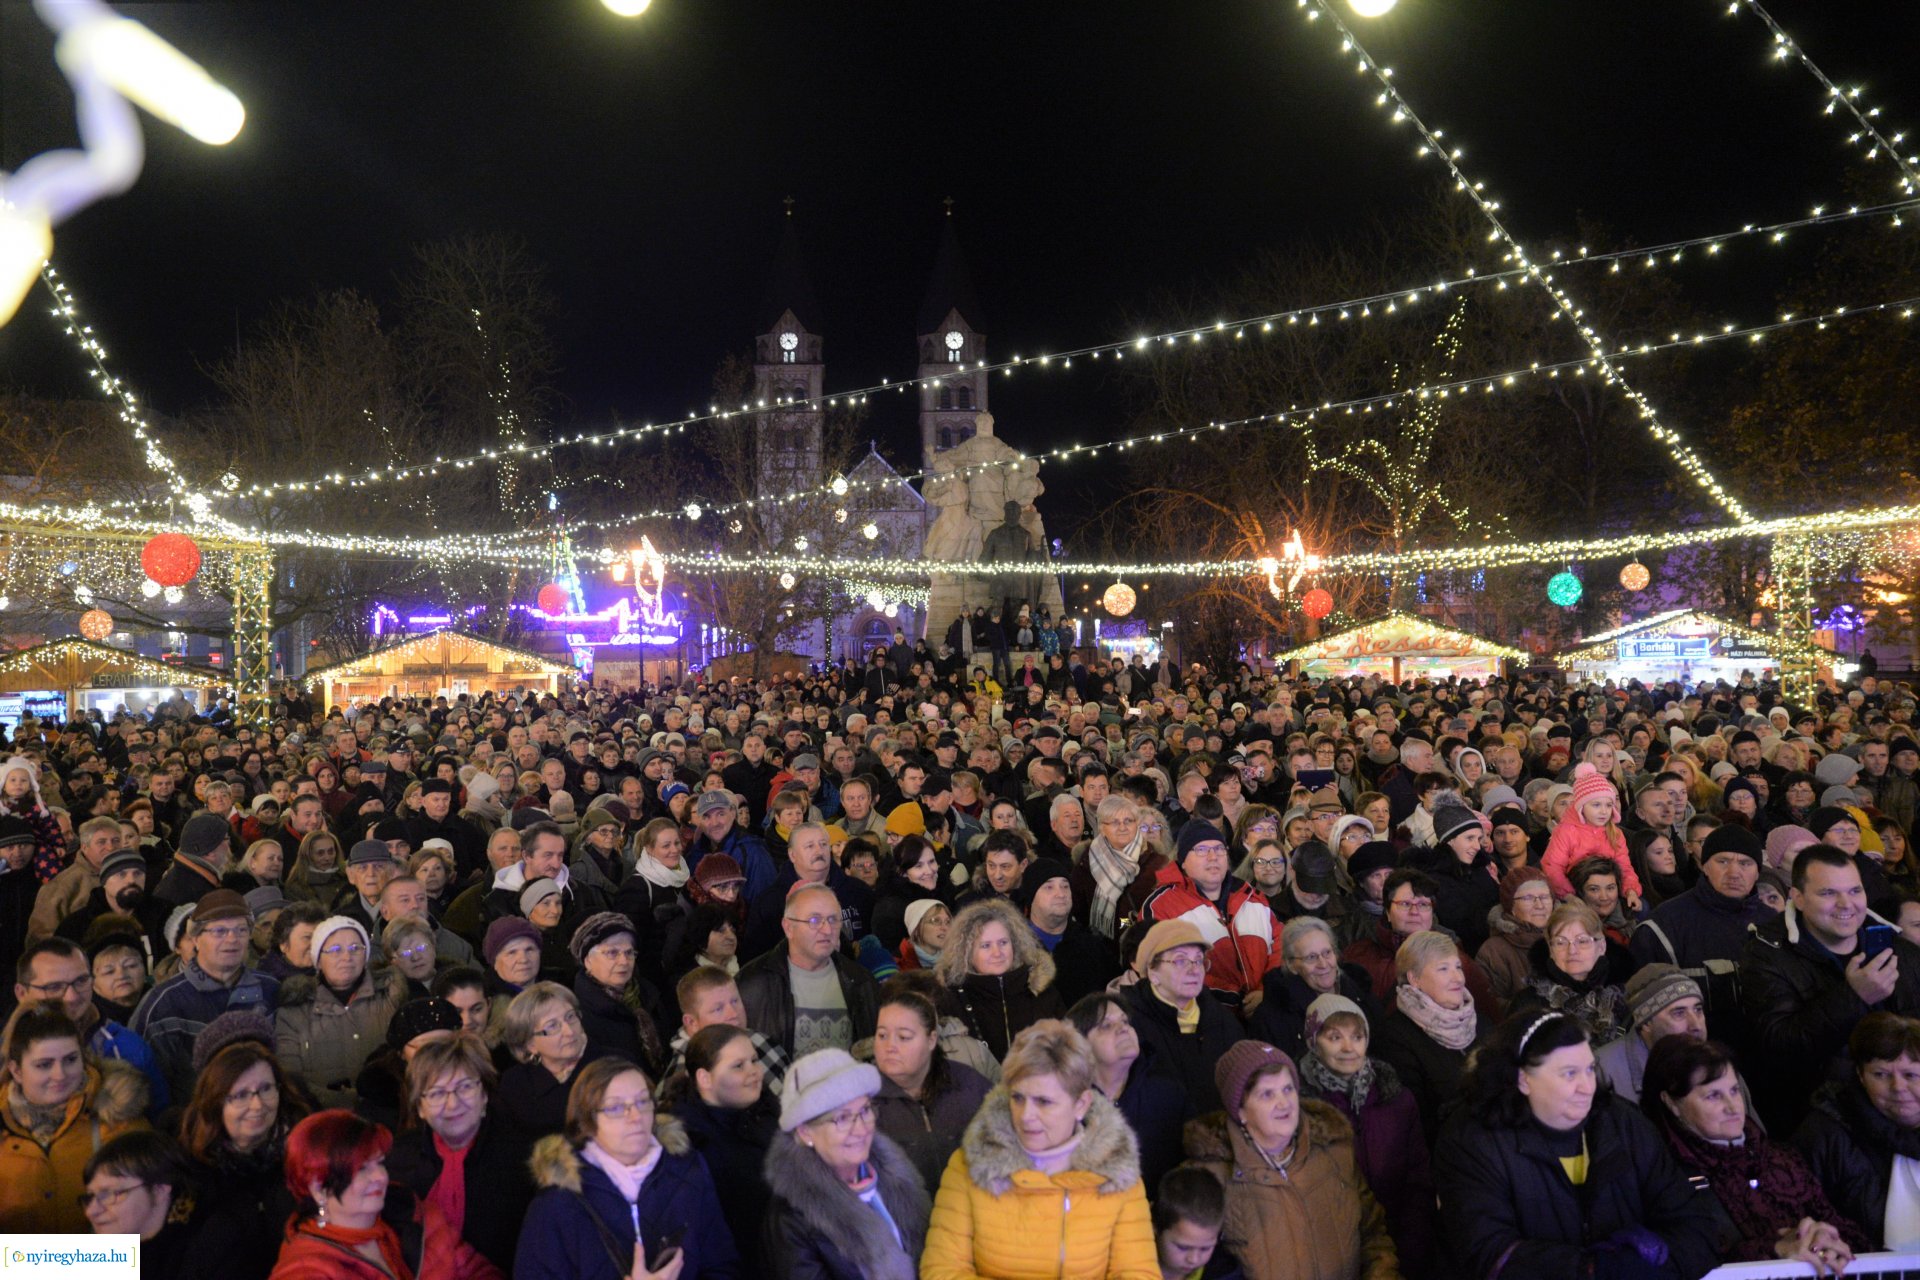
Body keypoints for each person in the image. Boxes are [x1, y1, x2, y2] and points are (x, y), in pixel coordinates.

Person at [1432, 1011, 1721, 1280]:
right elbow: (1489, 1254)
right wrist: (1595, 1270)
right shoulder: (1472, 1142)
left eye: (1590, 1069)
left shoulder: (1622, 1123)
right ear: (1523, 1079)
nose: (1587, 1086)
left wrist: (1652, 1267)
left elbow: (1693, 1223)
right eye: (1569, 1073)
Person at [923, 1019, 1159, 1280]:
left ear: (1081, 1104)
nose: (1026, 1116)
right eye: (1018, 1098)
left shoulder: (1119, 1174)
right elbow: (941, 1271)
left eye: (1044, 1102)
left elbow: (1139, 1273)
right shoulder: (967, 1167)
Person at [1641, 1035, 1866, 1270]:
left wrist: (1827, 1239)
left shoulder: (1781, 1158)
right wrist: (1776, 1250)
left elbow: (1845, 1230)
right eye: (1713, 1095)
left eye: (1734, 1090)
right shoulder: (1665, 1179)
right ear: (1671, 1103)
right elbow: (1680, 1265)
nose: (1733, 1107)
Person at [1182, 1038, 1399, 1280]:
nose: (1284, 1103)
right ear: (1240, 1111)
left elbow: (1373, 1234)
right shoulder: (1210, 1179)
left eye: (1288, 1089)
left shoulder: (1334, 1150)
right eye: (1267, 1094)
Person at [1741, 843, 1920, 1129]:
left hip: (1905, 1112)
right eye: (1828, 893)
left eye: (1854, 891)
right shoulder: (1766, 955)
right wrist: (1854, 997)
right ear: (1797, 897)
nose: (1846, 904)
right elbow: (1778, 1048)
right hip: (1824, 1120)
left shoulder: (1900, 948)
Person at [515, 1056, 738, 1279]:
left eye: (643, 1102)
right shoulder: (558, 1201)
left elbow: (722, 1266)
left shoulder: (688, 1171)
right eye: (615, 1107)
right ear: (586, 1122)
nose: (635, 1116)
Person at [268, 1108, 500, 1280]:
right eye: (362, 1169)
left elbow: (481, 1272)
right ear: (318, 1188)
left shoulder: (419, 1216)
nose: (380, 1176)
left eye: (379, 1162)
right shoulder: (304, 1270)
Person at [762, 1047, 931, 1280]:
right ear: (805, 1132)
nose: (861, 1129)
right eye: (841, 1118)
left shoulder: (894, 1177)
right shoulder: (791, 1218)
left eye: (864, 1111)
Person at [1296, 993, 1434, 1277]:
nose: (1349, 1048)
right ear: (1313, 1042)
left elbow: (1418, 1178)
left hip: (1402, 1242)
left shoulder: (1396, 1099)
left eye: (1357, 1037)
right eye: (1334, 1038)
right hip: (1335, 1252)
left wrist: (1411, 1247)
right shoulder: (1301, 1108)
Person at [384, 1031, 533, 1274]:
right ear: (420, 1107)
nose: (452, 1104)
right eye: (437, 1093)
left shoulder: (524, 1161)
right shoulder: (398, 1162)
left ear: (484, 1094)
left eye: (464, 1087)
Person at [0, 1003, 148, 1232]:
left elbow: (146, 1222)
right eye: (44, 1065)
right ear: (16, 1071)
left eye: (70, 1060)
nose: (60, 1075)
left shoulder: (119, 1117)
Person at [178, 1032, 312, 1280]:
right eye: (240, 1095)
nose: (257, 1105)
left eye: (265, 1089)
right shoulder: (184, 1169)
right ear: (216, 1101)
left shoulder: (308, 1155)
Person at [129, 887, 281, 1101]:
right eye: (219, 931)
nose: (232, 939)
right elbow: (145, 1081)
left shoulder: (271, 989)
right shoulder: (164, 1002)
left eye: (241, 930)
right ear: (197, 940)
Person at [1791, 1011, 1920, 1251]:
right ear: (1860, 1076)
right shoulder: (1824, 1133)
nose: (1898, 1087)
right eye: (1880, 1074)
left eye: (1910, 1075)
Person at [667, 1024, 779, 1274]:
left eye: (753, 1060)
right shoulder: (688, 1142)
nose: (755, 1072)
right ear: (705, 1078)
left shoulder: (769, 1112)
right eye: (738, 1066)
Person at [1368, 931, 1489, 1145]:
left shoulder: (1482, 1023)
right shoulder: (1394, 1038)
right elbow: (1417, 1120)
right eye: (1443, 969)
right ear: (1415, 979)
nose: (1458, 978)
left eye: (1458, 967)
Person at [870, 985, 992, 1192]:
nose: (890, 1046)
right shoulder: (861, 1102)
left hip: (966, 1214)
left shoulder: (969, 1085)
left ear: (931, 1039)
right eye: (882, 1035)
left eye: (904, 1037)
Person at [1068, 992, 1191, 1199]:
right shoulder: (1064, 1106)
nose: (1123, 1028)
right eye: (1106, 1025)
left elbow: (1189, 1173)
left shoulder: (1168, 1094)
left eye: (1125, 1021)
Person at [274, 915, 407, 1106]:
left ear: (365, 955)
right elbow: (290, 1077)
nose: (346, 957)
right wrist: (340, 1101)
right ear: (318, 961)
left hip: (388, 1111)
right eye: (335, 950)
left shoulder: (391, 998)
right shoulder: (294, 1012)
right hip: (321, 1118)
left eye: (355, 949)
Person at [737, 883, 879, 1059]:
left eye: (833, 920)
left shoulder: (861, 981)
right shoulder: (752, 983)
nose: (827, 930)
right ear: (788, 927)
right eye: (814, 920)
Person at [1120, 920, 1247, 1113]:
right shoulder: (1127, 1025)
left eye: (1198, 960)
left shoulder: (1222, 1020)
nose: (1194, 969)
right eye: (1180, 960)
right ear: (1152, 973)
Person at [935, 896, 1066, 1061]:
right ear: (966, 953)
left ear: (1015, 944)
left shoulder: (1041, 990)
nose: (997, 953)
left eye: (1003, 942)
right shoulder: (950, 999)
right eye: (985, 946)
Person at [1247, 915, 1373, 1062]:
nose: (1323, 964)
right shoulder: (1271, 1017)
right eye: (1311, 957)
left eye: (1327, 953)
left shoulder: (1361, 993)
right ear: (1291, 965)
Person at [1593, 965, 1723, 1106]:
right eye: (1679, 1013)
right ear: (1646, 1023)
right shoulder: (1602, 1070)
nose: (1696, 1025)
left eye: (1698, 1010)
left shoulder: (1720, 1066)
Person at [80, 1131, 202, 1278]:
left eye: (110, 1194)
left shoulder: (207, 1256)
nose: (91, 1212)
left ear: (158, 1191)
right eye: (90, 1197)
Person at [1508, 902, 1631, 1046]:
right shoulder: (1528, 1005)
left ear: (1601, 946)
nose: (1572, 950)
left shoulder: (1625, 995)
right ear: (1551, 950)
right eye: (1560, 942)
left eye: (1582, 941)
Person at [495, 981, 602, 1138]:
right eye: (552, 1026)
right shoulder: (515, 1085)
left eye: (570, 1017)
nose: (569, 1031)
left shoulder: (613, 1065)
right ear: (530, 1044)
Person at [568, 911, 668, 1075]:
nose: (624, 961)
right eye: (612, 953)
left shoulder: (648, 994)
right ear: (587, 961)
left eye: (629, 953)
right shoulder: (578, 1014)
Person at [1477, 866, 1554, 1004]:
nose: (1539, 905)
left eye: (1545, 897)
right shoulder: (1494, 951)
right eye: (1528, 898)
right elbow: (1491, 1004)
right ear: (1511, 906)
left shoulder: (1568, 938)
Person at [1150, 1165, 1229, 1280]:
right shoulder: (1122, 1263)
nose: (1193, 1259)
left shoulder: (1225, 1273)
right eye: (1182, 1247)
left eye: (1205, 1248)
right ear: (1154, 1225)